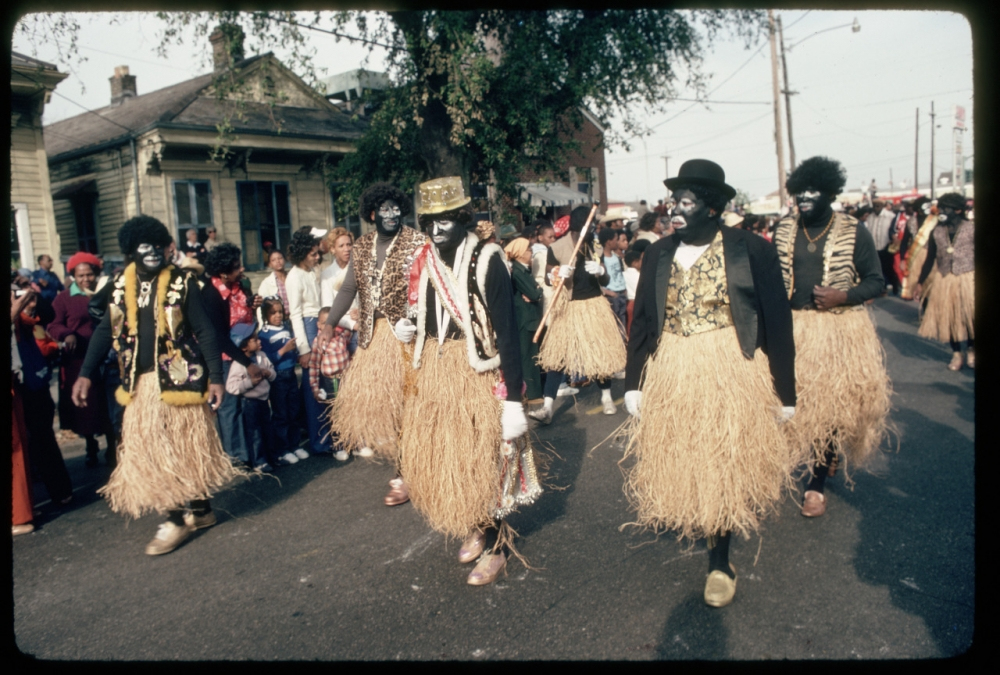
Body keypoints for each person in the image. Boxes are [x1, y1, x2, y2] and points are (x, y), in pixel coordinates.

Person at [622, 159, 797, 608]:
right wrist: (634, 382)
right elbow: (641, 321)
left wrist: (786, 393)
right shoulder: (659, 252)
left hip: (729, 369)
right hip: (674, 369)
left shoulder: (750, 249)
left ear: (713, 207)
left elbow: (777, 322)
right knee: (687, 456)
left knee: (720, 461)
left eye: (686, 202)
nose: (674, 210)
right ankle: (703, 523)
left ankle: (720, 562)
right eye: (672, 201)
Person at [72, 215, 244, 556]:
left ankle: (188, 514)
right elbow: (106, 331)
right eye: (144, 247)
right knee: (155, 451)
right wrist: (86, 373)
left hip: (181, 380)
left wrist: (217, 378)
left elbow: (206, 332)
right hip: (141, 385)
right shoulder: (122, 285)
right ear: (133, 251)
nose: (152, 253)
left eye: (158, 246)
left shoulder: (182, 283)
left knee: (185, 445)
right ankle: (182, 513)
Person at [399, 176, 538, 585]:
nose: (436, 229)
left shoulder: (488, 257)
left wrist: (513, 398)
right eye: (430, 221)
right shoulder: (426, 259)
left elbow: (508, 332)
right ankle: (477, 525)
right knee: (454, 457)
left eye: (445, 219)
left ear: (462, 218)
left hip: (479, 374)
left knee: (485, 459)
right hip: (439, 372)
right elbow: (425, 312)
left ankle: (498, 545)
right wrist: (408, 328)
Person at [775, 156, 891, 517]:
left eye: (813, 191)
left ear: (829, 192)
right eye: (799, 191)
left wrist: (844, 296)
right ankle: (806, 463)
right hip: (792, 329)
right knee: (789, 407)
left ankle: (815, 484)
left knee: (825, 412)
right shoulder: (783, 230)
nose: (804, 198)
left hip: (835, 331)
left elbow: (877, 281)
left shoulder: (853, 230)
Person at [321, 182, 429, 506]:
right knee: (393, 410)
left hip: (410, 336)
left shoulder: (416, 242)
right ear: (372, 214)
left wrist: (415, 320)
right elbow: (348, 289)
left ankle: (414, 468)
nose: (391, 215)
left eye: (396, 208)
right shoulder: (363, 246)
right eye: (384, 210)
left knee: (415, 405)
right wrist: (329, 323)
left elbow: (428, 286)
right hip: (373, 339)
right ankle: (404, 470)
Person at [532, 204, 627, 423]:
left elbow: (605, 280)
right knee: (558, 356)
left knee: (600, 352)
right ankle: (547, 408)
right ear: (578, 227)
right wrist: (556, 272)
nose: (593, 229)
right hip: (569, 307)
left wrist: (601, 271)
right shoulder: (557, 247)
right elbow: (548, 277)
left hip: (594, 306)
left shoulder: (594, 245)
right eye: (590, 226)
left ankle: (606, 397)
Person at [202, 243, 265, 466]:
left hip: (244, 352)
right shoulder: (210, 294)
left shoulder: (240, 285)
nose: (242, 268)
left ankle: (251, 454)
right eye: (237, 266)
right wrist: (246, 363)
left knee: (247, 407)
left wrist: (253, 304)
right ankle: (235, 459)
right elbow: (219, 336)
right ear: (222, 272)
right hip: (227, 358)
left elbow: (243, 314)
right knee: (229, 410)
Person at [48, 252, 110, 467]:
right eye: (80, 275)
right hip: (78, 359)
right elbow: (53, 324)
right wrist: (67, 334)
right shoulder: (64, 298)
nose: (86, 279)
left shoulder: (104, 293)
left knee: (107, 400)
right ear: (73, 275)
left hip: (106, 356)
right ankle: (90, 445)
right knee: (86, 405)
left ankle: (112, 445)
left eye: (89, 274)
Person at [14, 287, 74, 507]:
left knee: (42, 437)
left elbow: (46, 315)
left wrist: (29, 299)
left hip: (31, 382)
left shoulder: (24, 311)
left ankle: (60, 490)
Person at [285, 227, 332, 456]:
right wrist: (303, 349)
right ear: (303, 252)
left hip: (318, 323)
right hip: (307, 325)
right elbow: (294, 314)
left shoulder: (312, 272)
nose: (317, 257)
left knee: (323, 380)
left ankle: (324, 433)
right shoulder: (294, 276)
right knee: (314, 384)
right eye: (313, 253)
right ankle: (319, 441)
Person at [915, 192, 975, 370]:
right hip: (944, 279)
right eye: (940, 207)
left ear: (958, 210)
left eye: (945, 208)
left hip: (969, 278)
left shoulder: (972, 228)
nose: (940, 211)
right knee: (948, 317)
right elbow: (930, 259)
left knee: (970, 316)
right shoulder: (936, 231)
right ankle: (957, 354)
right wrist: (920, 282)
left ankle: (972, 349)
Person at [226, 322, 278, 472]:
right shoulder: (239, 364)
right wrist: (249, 383)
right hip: (250, 402)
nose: (259, 341)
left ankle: (271, 457)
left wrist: (269, 374)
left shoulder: (262, 356)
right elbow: (231, 386)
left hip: (263, 400)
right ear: (244, 346)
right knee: (255, 433)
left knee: (267, 429)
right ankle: (259, 461)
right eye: (255, 340)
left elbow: (273, 372)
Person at [258, 298, 302, 466]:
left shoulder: (286, 328)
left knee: (293, 410)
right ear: (265, 315)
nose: (278, 316)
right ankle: (283, 450)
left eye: (280, 312)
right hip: (278, 377)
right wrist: (284, 350)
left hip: (290, 374)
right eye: (273, 313)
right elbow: (268, 360)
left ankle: (294, 444)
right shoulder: (264, 334)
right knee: (281, 413)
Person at [505, 237, 544, 401]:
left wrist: (536, 291)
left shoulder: (523, 270)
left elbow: (534, 293)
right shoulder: (518, 272)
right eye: (528, 250)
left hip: (531, 318)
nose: (530, 253)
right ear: (520, 254)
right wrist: (538, 290)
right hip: (525, 319)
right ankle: (533, 394)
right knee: (528, 358)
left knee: (532, 355)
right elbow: (534, 293)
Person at [319, 227, 360, 354]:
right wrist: (352, 324)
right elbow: (328, 311)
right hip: (340, 328)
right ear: (332, 249)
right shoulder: (327, 275)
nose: (347, 249)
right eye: (341, 246)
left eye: (349, 244)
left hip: (360, 323)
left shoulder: (359, 268)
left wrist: (361, 312)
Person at [599, 227, 628, 333]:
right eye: (616, 239)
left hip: (621, 293)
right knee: (614, 322)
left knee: (622, 320)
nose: (617, 242)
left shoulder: (616, 257)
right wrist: (608, 292)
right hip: (612, 295)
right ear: (608, 242)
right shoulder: (602, 259)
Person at [255, 248, 290, 324]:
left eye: (280, 258)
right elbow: (261, 306)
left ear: (285, 259)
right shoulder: (266, 283)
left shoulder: (292, 278)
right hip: (278, 321)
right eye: (273, 260)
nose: (278, 261)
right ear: (270, 264)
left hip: (294, 318)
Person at [623, 248, 642, 335]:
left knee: (628, 324)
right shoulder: (640, 276)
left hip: (628, 303)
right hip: (637, 303)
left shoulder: (623, 274)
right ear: (635, 262)